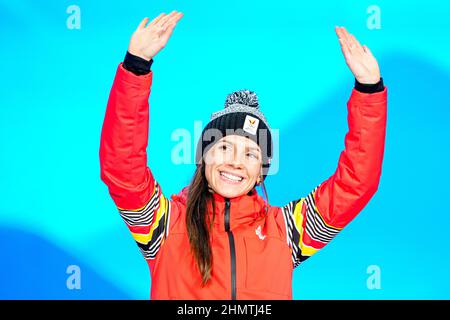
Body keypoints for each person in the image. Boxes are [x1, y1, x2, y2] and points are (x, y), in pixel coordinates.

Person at [99, 11, 387, 300]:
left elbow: (355, 185)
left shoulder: (286, 232)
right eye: (224, 147)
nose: (236, 162)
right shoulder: (163, 225)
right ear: (203, 158)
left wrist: (369, 89)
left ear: (261, 171)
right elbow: (122, 169)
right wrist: (136, 66)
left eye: (250, 154)